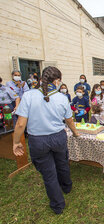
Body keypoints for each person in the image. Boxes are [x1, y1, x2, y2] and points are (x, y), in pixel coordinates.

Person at [13, 66, 80, 214]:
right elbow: (69, 120)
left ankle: (58, 205)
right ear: (56, 81)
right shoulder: (62, 98)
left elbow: (20, 123)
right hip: (58, 137)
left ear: (42, 79)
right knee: (62, 163)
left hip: (38, 141)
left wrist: (16, 141)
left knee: (49, 174)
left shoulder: (29, 96)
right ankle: (66, 187)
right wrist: (75, 132)